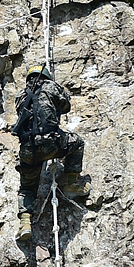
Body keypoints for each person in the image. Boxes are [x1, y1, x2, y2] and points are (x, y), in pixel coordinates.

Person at [12, 63, 89, 243]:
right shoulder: (52, 87)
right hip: (52, 142)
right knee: (77, 143)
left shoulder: (21, 96)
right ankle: (71, 183)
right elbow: (66, 105)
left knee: (26, 188)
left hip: (28, 148)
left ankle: (25, 223)